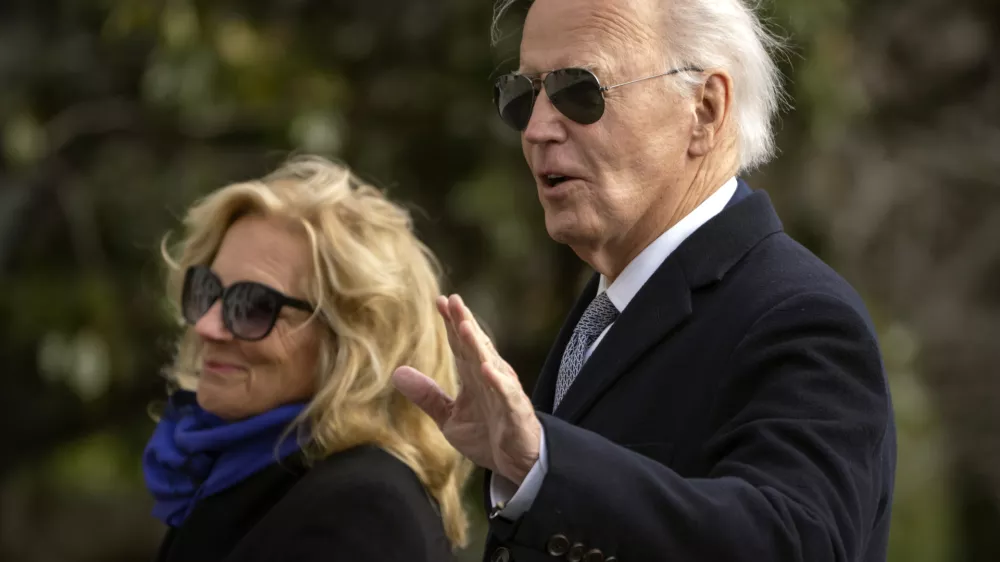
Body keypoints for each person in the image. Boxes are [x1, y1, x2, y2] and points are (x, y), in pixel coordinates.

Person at [392, 0, 897, 561]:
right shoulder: (608, 305)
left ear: (705, 109)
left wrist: (545, 461)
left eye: (578, 89)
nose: (536, 129)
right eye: (524, 94)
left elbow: (795, 545)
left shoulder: (800, 316)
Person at [142, 156, 471, 562]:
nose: (208, 326)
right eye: (207, 289)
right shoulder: (236, 473)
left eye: (255, 306)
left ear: (351, 343)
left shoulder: (364, 510)